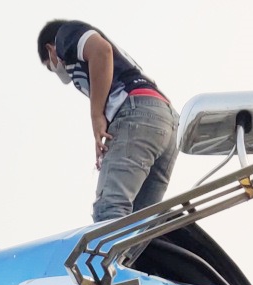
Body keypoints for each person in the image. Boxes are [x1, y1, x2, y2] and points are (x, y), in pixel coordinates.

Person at [37, 20, 179, 223]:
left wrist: (96, 116)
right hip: (166, 122)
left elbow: (101, 51)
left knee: (110, 209)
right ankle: (125, 257)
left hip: (138, 111)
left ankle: (110, 255)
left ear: (50, 50)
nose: (56, 70)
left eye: (50, 67)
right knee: (139, 223)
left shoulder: (65, 35)